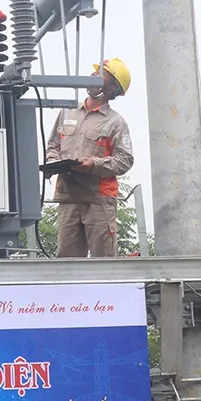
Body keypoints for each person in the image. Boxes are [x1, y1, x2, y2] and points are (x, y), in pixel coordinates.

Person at [45, 58, 134, 258]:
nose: (93, 75)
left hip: (99, 201)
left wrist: (94, 164)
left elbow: (125, 159)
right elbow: (53, 145)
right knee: (67, 265)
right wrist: (52, 163)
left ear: (112, 88)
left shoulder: (115, 122)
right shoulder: (67, 112)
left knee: (103, 265)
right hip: (69, 198)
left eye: (101, 73)